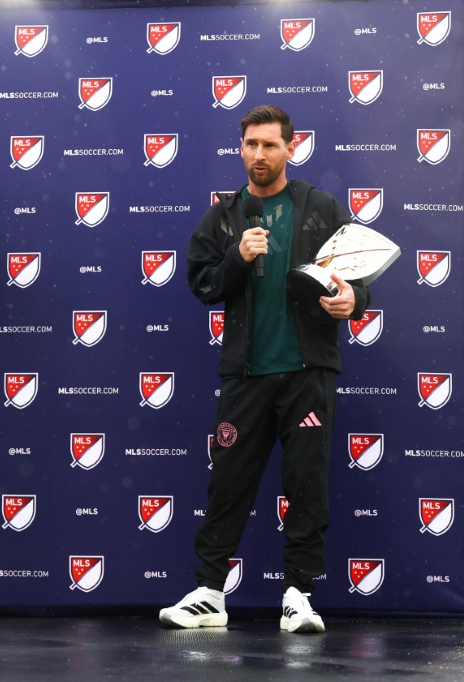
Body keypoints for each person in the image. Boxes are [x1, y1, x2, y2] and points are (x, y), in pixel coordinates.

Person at [159, 104, 370, 633]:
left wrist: (354, 300)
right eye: (251, 144)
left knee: (307, 484)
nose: (259, 154)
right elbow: (202, 284)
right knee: (227, 483)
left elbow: (355, 275)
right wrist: (238, 257)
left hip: (308, 372)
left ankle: (299, 594)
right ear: (241, 148)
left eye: (270, 145)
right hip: (245, 375)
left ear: (290, 149)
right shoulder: (224, 215)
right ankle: (209, 592)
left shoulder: (321, 206)